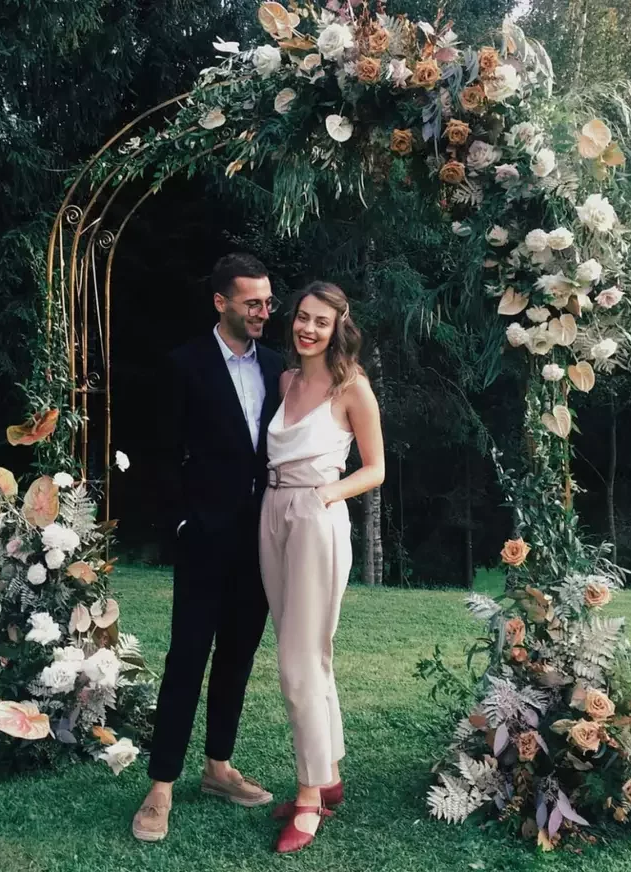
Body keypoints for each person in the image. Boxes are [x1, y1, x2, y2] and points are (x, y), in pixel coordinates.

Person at [132, 253, 284, 842]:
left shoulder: (278, 366)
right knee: (187, 657)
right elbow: (159, 454)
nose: (264, 312)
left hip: (261, 539)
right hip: (202, 537)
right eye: (252, 302)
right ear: (221, 302)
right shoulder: (184, 364)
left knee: (238, 656)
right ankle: (161, 787)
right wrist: (180, 523)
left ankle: (219, 767)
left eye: (268, 301)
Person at [259, 281, 385, 853]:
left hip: (315, 515)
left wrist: (327, 495)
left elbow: (375, 468)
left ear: (339, 328)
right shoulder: (286, 381)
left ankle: (309, 796)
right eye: (303, 317)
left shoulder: (352, 386)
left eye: (321, 322)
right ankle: (328, 773)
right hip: (272, 512)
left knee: (299, 661)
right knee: (307, 652)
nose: (308, 329)